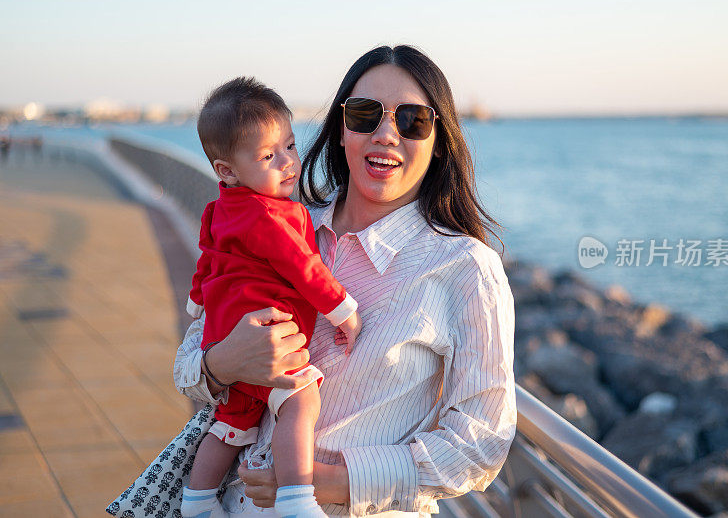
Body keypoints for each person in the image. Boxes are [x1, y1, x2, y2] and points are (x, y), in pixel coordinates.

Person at [174, 44, 516, 517]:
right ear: (340, 129)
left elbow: (479, 446)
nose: (387, 134)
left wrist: (322, 484)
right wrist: (224, 363)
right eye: (364, 114)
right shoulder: (272, 225)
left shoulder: (465, 268)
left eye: (413, 120)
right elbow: (187, 369)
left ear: (439, 139)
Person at [181, 77, 362, 518]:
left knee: (231, 425)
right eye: (268, 156)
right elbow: (305, 268)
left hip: (226, 334)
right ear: (227, 170)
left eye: (291, 147)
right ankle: (299, 498)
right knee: (301, 399)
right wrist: (345, 313)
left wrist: (195, 306)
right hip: (268, 333)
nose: (288, 163)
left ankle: (197, 500)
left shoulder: (217, 208)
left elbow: (206, 262)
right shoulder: (270, 217)